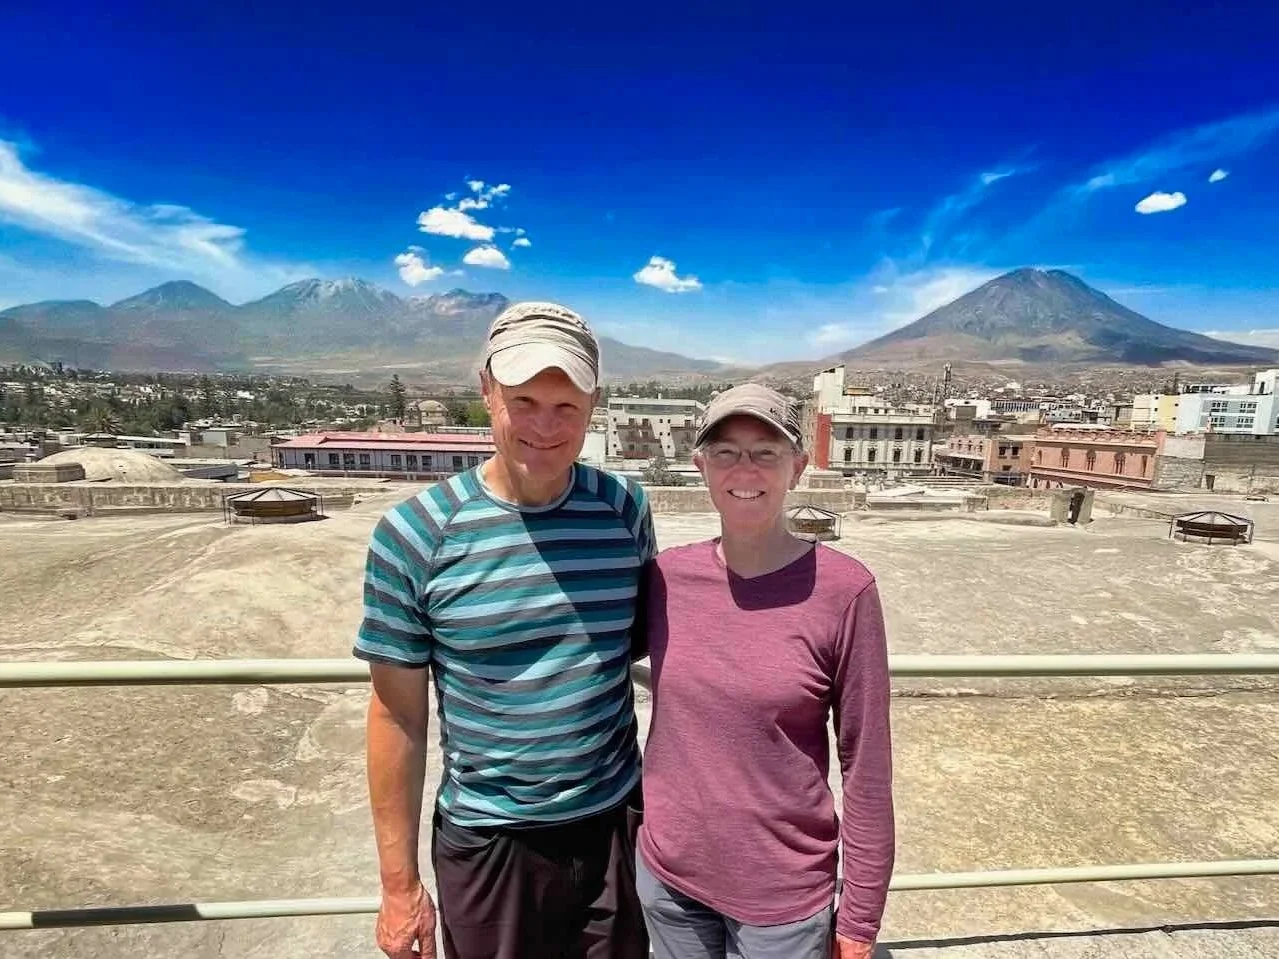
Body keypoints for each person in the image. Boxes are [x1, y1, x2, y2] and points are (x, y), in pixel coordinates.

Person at [356, 301, 656, 959]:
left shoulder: (624, 510)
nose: (544, 427)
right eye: (523, 400)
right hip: (491, 842)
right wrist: (399, 886)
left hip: (615, 831)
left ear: (593, 402)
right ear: (485, 390)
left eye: (566, 406)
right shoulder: (413, 536)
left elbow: (627, 650)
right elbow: (396, 716)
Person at [636, 384, 895, 959]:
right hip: (669, 880)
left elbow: (867, 766)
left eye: (766, 452)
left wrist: (859, 919)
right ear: (701, 465)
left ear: (797, 468)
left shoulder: (845, 592)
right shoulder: (664, 579)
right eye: (726, 451)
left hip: (782, 897)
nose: (744, 468)